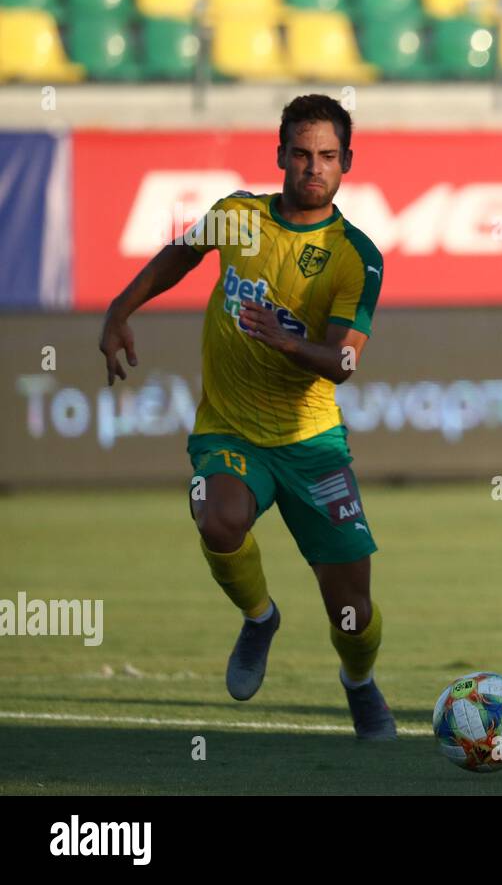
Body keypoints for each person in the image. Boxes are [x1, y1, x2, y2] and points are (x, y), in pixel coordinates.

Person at [98, 95, 394, 741]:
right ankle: (259, 617)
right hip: (230, 431)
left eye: (327, 156)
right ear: (280, 155)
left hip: (312, 442)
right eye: (301, 154)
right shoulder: (238, 216)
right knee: (219, 515)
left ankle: (360, 684)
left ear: (347, 162)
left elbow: (344, 359)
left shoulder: (356, 256)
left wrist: (288, 342)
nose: (313, 167)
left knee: (351, 608)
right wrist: (121, 308)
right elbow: (182, 252)